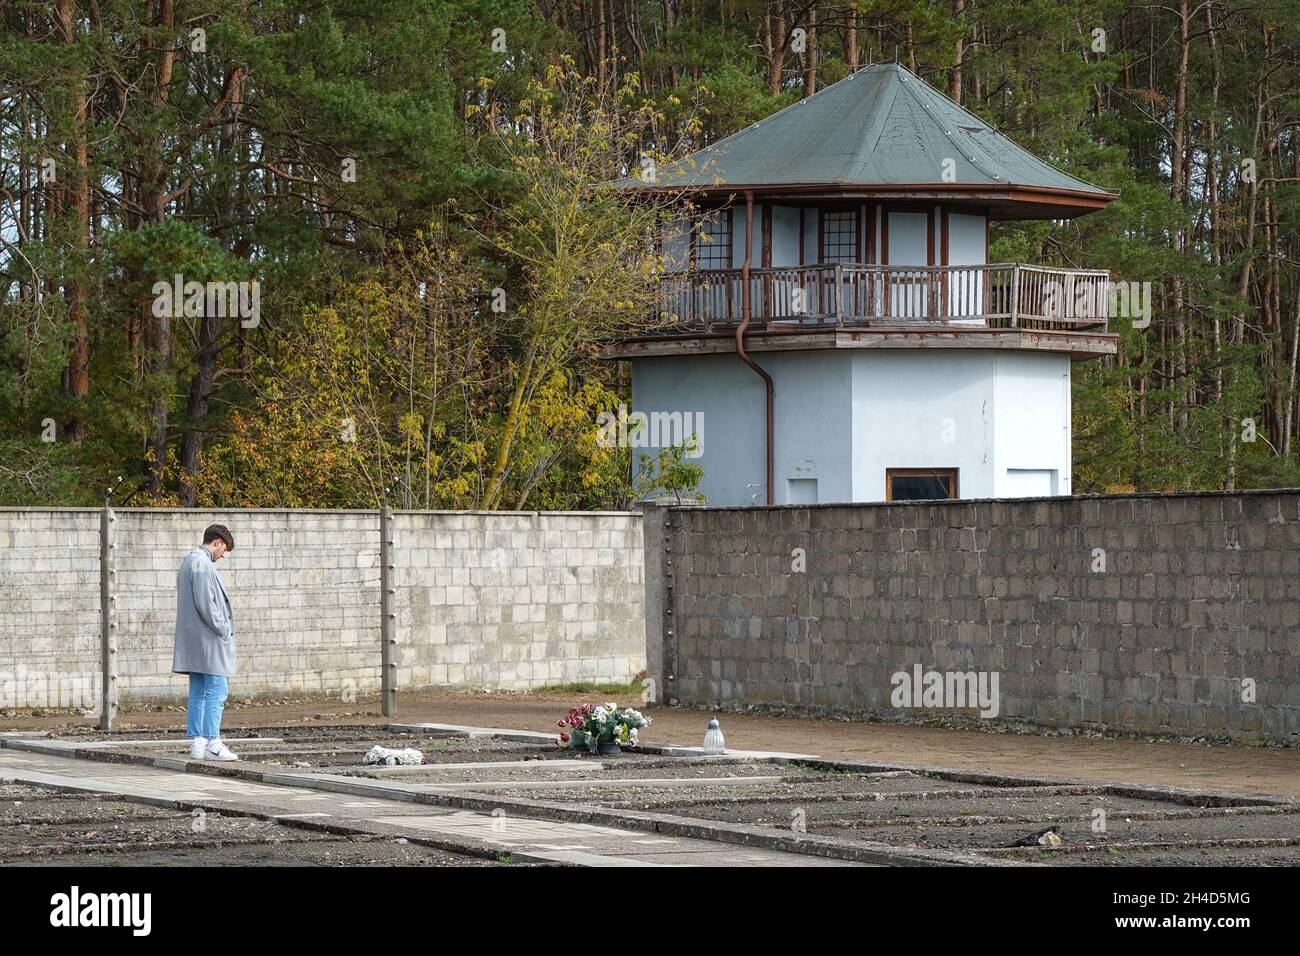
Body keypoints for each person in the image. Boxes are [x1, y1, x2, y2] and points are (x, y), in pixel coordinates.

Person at [173, 525, 239, 761]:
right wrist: (222, 628)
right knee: (217, 690)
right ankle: (213, 741)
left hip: (196, 641)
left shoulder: (189, 561)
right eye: (225, 550)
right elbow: (206, 604)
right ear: (218, 542)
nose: (223, 556)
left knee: (199, 690)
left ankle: (198, 742)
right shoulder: (202, 564)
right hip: (209, 639)